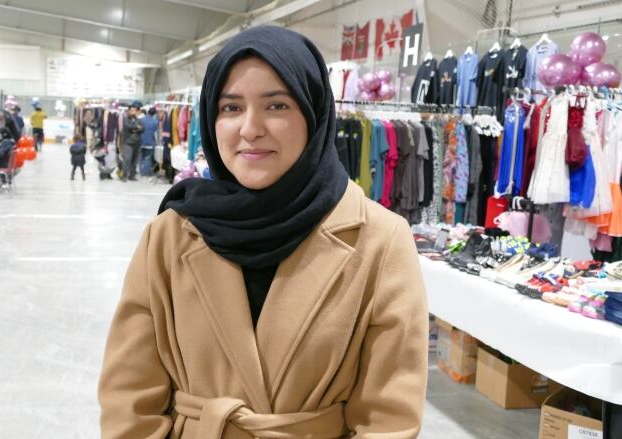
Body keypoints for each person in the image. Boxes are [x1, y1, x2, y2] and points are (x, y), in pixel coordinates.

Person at [98, 26, 428, 438]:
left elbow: (388, 420)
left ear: (313, 113)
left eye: (276, 105)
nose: (250, 128)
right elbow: (129, 401)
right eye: (231, 108)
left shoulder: (380, 240)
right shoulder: (170, 235)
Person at [121, 101, 144, 182]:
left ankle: (132, 175)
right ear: (129, 111)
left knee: (135, 161)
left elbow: (143, 129)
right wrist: (137, 128)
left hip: (137, 143)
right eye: (132, 111)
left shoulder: (139, 120)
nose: (134, 112)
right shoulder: (125, 119)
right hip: (128, 143)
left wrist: (136, 129)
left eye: (135, 111)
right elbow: (128, 127)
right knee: (127, 159)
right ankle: (124, 175)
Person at [139, 107, 159, 177]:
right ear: (154, 114)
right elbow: (155, 133)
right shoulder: (155, 122)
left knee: (141, 157)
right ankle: (145, 173)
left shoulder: (141, 120)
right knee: (147, 158)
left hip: (140, 141)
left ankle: (141, 172)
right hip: (150, 142)